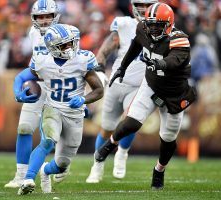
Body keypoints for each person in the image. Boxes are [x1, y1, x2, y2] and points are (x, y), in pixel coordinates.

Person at [94, 2, 197, 190]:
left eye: (159, 25)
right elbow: (135, 45)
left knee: (168, 137)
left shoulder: (179, 39)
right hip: (151, 85)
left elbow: (174, 61)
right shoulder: (143, 27)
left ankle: (159, 170)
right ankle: (110, 145)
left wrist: (160, 64)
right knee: (132, 121)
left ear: (169, 24)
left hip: (174, 93)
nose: (154, 29)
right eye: (151, 25)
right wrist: (122, 68)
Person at [14, 23, 104, 195]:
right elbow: (21, 76)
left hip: (74, 114)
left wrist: (83, 99)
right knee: (48, 141)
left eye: (71, 42)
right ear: (52, 47)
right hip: (53, 108)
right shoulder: (42, 61)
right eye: (64, 44)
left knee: (62, 164)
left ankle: (45, 171)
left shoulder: (83, 60)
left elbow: (99, 90)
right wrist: (18, 93)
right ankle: (28, 179)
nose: (70, 47)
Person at [86, 0, 158, 183]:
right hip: (116, 84)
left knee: (130, 120)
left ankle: (122, 154)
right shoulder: (125, 24)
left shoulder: (162, 28)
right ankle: (97, 164)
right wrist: (100, 65)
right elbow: (107, 47)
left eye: (147, 5)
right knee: (106, 129)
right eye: (140, 4)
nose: (142, 8)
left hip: (139, 86)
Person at [4, 0, 60, 188]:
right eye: (40, 17)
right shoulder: (33, 32)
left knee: (52, 137)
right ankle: (21, 175)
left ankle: (55, 167)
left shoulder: (65, 33)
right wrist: (19, 90)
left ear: (55, 16)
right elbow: (34, 63)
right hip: (38, 83)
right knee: (24, 127)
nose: (43, 21)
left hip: (58, 87)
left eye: (47, 16)